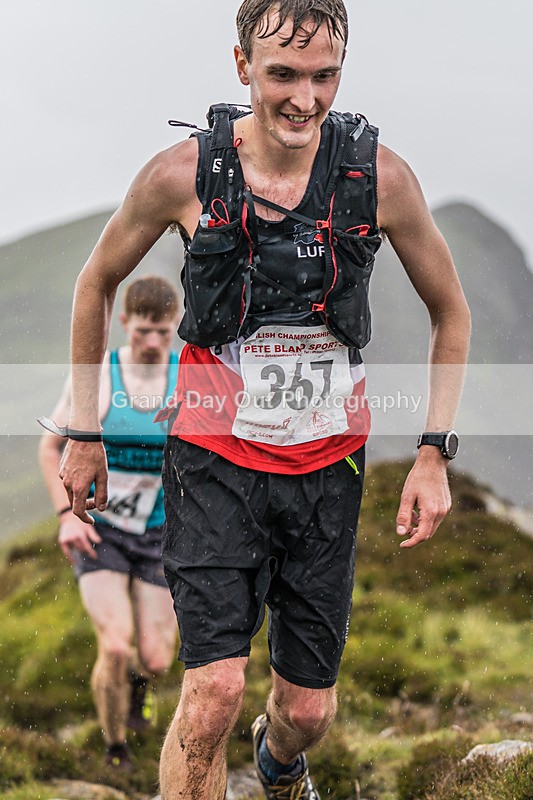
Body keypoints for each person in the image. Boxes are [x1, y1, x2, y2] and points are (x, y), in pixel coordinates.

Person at [57, 1, 471, 797]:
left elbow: (449, 309)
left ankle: (278, 765)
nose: (304, 99)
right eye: (282, 74)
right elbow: (95, 283)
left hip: (327, 471)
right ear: (242, 65)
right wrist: (84, 430)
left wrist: (432, 451)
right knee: (212, 693)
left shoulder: (379, 179)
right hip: (212, 463)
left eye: (324, 77)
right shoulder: (181, 175)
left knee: (308, 710)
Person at [39, 275, 180, 770]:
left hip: (160, 533)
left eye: (163, 332)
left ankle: (140, 688)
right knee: (116, 646)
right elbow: (49, 446)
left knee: (157, 659)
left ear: (174, 328)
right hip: (98, 530)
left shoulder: (189, 378)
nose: (153, 342)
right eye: (144, 330)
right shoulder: (100, 376)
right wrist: (64, 517)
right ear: (124, 324)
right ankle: (116, 749)